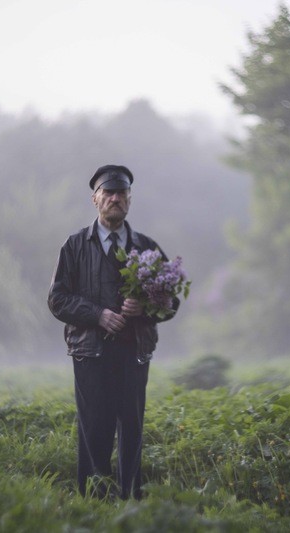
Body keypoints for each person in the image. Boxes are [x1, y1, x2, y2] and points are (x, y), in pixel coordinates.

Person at [47, 164, 179, 499]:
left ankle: (131, 503)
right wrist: (98, 315)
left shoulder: (147, 247)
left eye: (121, 193)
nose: (115, 199)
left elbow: (171, 302)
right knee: (94, 429)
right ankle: (94, 503)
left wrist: (147, 306)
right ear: (95, 199)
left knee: (132, 429)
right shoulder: (74, 246)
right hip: (89, 353)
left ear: (130, 199)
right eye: (108, 193)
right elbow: (57, 299)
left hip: (134, 352)